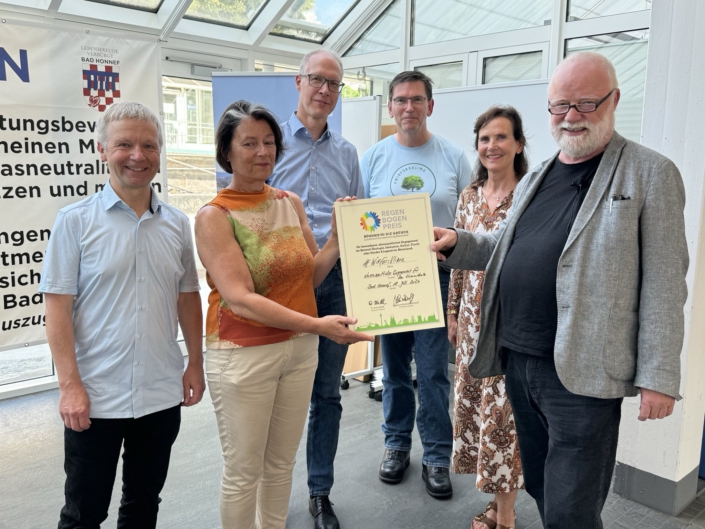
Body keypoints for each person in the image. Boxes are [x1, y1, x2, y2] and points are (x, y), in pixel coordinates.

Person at [432, 51, 688, 529]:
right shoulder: (538, 175)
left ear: (613, 100)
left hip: (584, 371)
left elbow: (665, 281)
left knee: (573, 502)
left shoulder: (650, 173)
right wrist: (458, 243)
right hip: (518, 358)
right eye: (560, 105)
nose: (571, 116)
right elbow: (502, 245)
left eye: (586, 103)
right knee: (542, 485)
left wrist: (659, 374)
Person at [195, 100, 371, 529]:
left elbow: (309, 277)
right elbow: (240, 298)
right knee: (243, 473)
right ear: (227, 152)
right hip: (243, 355)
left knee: (280, 465)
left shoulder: (289, 203)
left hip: (298, 352)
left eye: (269, 142)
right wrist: (318, 326)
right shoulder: (215, 216)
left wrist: (337, 232)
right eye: (249, 143)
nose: (262, 152)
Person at [39, 101, 205, 529]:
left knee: (143, 504)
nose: (138, 155)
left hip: (159, 393)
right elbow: (57, 309)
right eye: (124, 144)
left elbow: (188, 296)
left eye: (149, 145)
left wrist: (196, 363)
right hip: (95, 397)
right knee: (83, 513)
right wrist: (69, 386)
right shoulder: (74, 222)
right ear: (102, 150)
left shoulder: (175, 223)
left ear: (159, 153)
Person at [360, 70, 472, 499]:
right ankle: (396, 445)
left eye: (417, 99)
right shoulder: (372, 158)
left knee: (432, 373)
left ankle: (438, 456)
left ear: (430, 105)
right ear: (390, 107)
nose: (409, 107)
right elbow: (357, 225)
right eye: (401, 100)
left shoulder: (454, 157)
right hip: (388, 279)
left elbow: (468, 223)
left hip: (438, 279)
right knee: (394, 373)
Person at [266, 48, 364, 529]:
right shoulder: (268, 143)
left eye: (334, 84)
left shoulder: (348, 154)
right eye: (317, 80)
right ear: (298, 82)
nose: (325, 90)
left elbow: (360, 222)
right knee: (273, 390)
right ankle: (266, 493)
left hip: (336, 283)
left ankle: (319, 492)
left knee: (326, 394)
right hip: (280, 284)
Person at [447, 106, 527, 529]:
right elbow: (460, 261)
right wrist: (453, 313)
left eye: (501, 137)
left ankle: (507, 516)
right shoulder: (469, 196)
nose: (492, 146)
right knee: (478, 414)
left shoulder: (529, 195)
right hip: (470, 323)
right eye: (484, 139)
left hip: (508, 321)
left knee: (503, 421)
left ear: (518, 144)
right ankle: (495, 504)